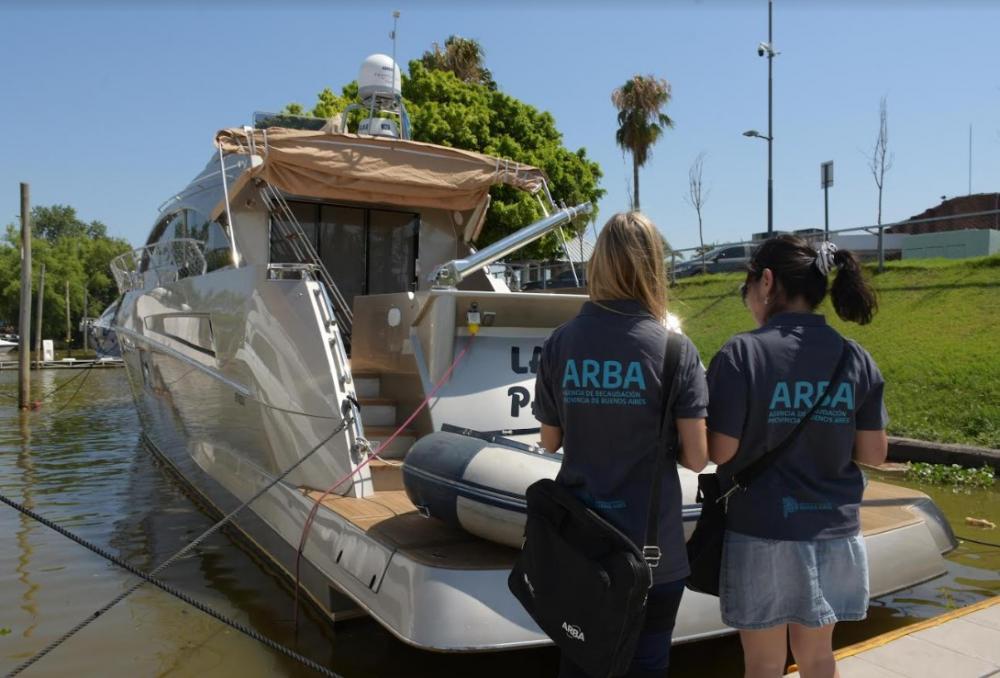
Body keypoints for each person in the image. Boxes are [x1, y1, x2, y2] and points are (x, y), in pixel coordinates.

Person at [533, 211, 709, 678]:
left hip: (581, 550)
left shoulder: (560, 343)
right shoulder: (676, 350)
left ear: (599, 265)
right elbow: (697, 457)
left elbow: (550, 442)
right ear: (653, 266)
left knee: (580, 663)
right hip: (654, 555)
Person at [706, 235, 888, 678]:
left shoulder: (741, 354)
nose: (747, 298)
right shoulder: (854, 356)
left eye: (746, 287)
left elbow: (720, 451)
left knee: (765, 664)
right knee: (818, 658)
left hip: (763, 529)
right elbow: (874, 453)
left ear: (766, 282)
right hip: (834, 531)